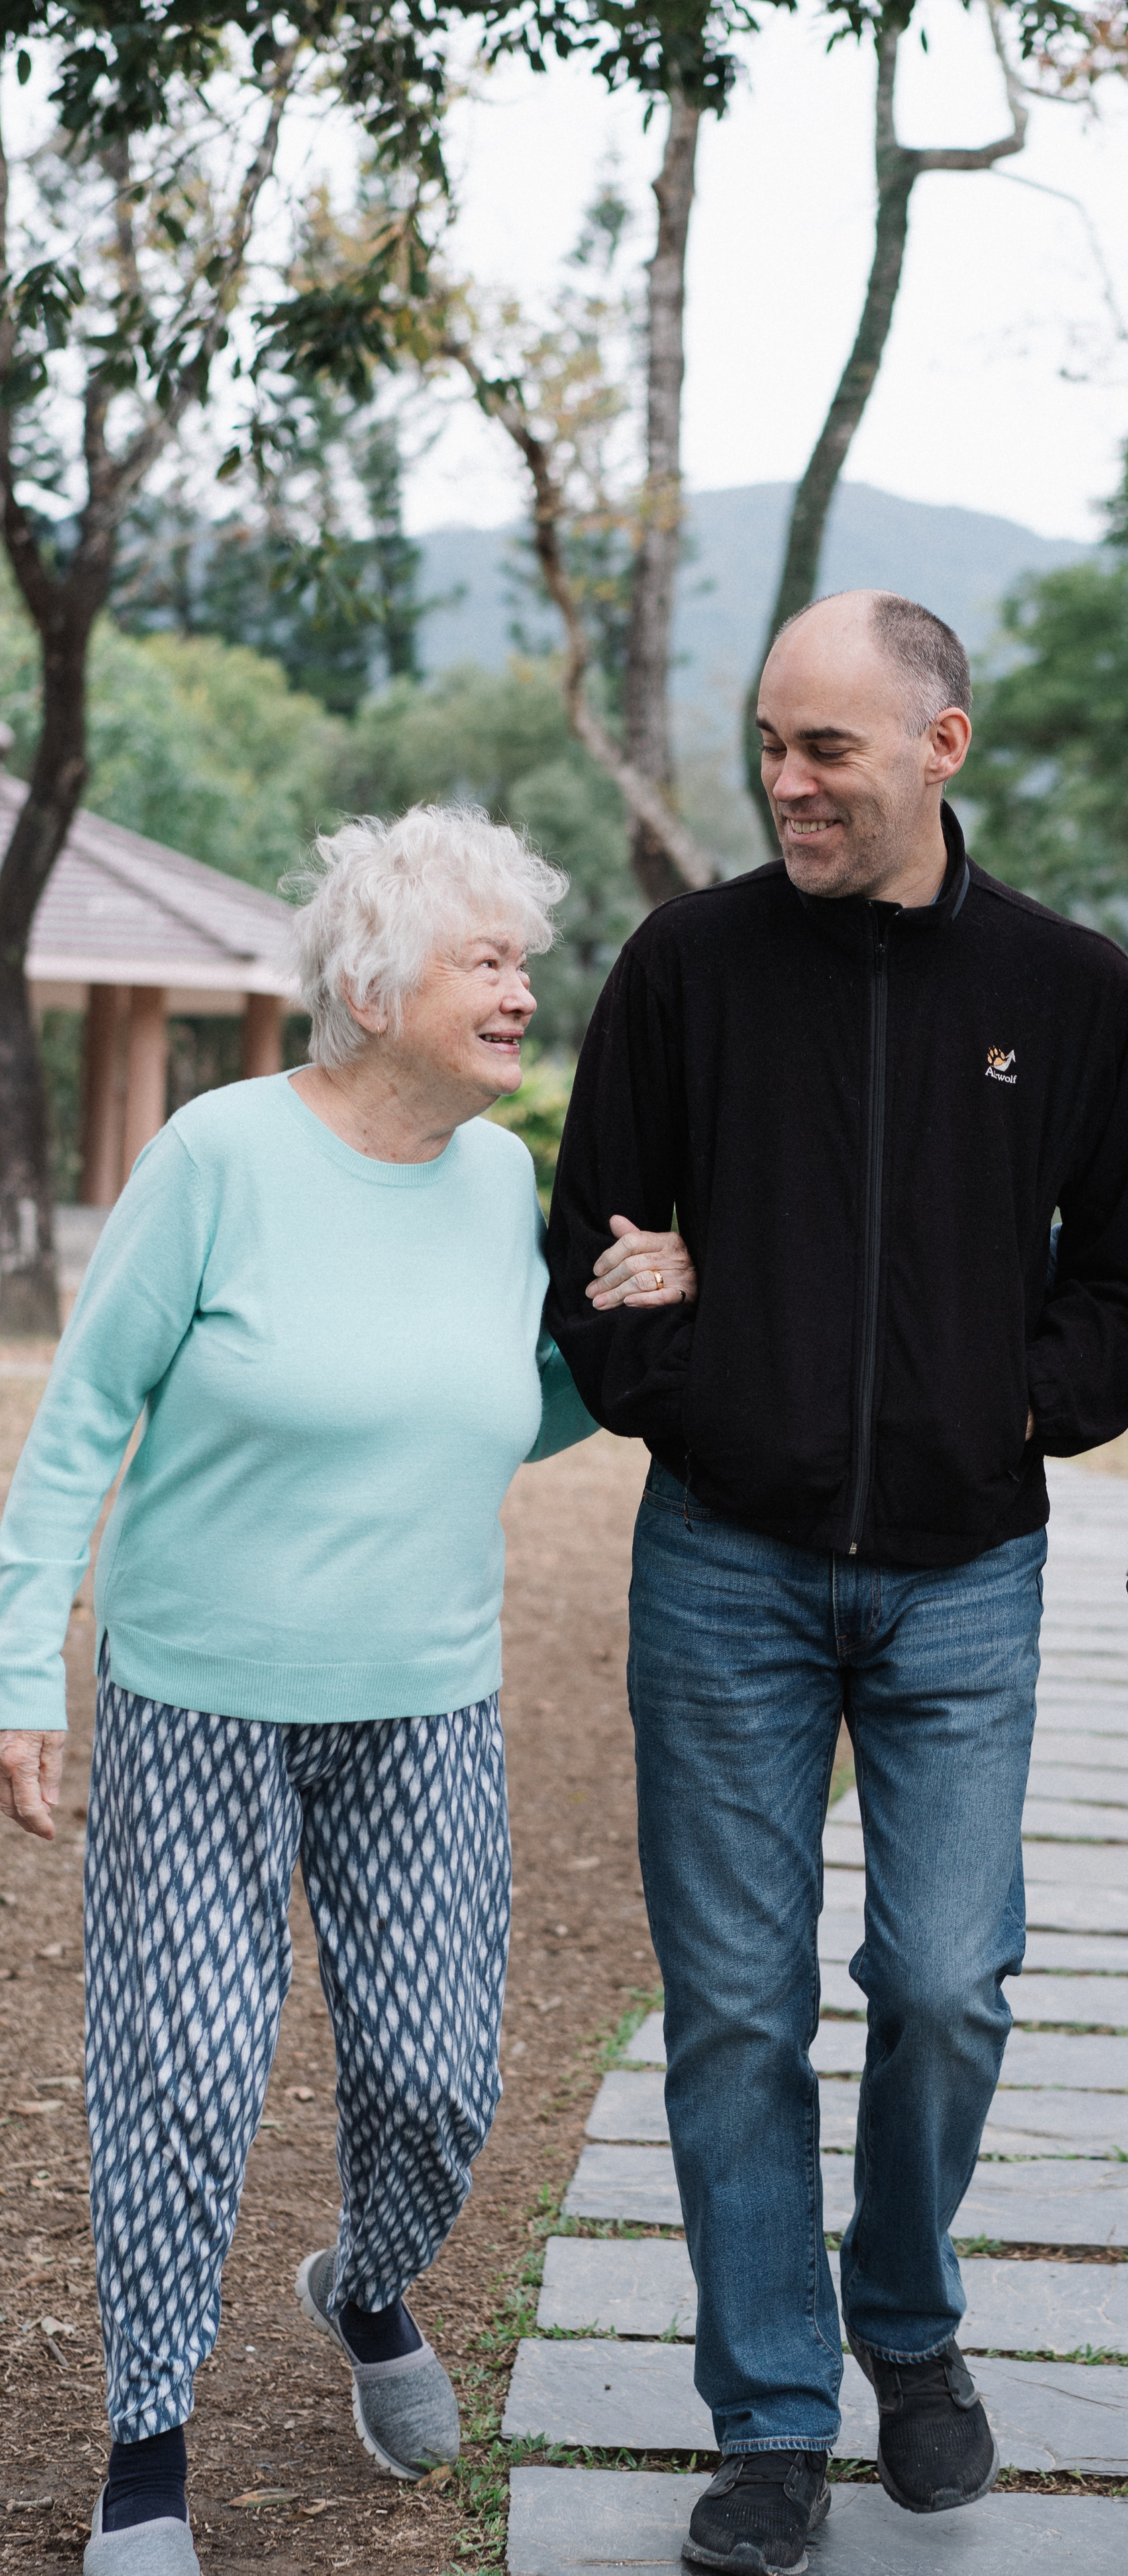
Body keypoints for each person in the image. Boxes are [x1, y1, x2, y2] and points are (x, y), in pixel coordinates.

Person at [546, 588, 1128, 2576]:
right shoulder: (687, 965)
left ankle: (903, 2313)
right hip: (723, 1564)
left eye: (825, 746)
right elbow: (596, 1245)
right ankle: (769, 2419)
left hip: (965, 1573)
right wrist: (707, 1390)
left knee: (943, 1980)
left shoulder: (1069, 989)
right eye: (771, 744)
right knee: (736, 2009)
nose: (789, 782)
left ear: (940, 746)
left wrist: (1010, 1409)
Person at [0, 806, 696, 2576]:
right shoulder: (219, 1156)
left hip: (424, 1703)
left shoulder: (497, 1183)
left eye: (525, 963)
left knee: (438, 2077)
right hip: (198, 1693)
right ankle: (146, 2454)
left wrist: (623, 1324)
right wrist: (21, 1672)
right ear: (377, 990)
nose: (523, 992)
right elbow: (81, 1419)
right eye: (488, 962)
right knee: (182, 2075)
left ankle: (367, 2286)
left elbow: (502, 1410)